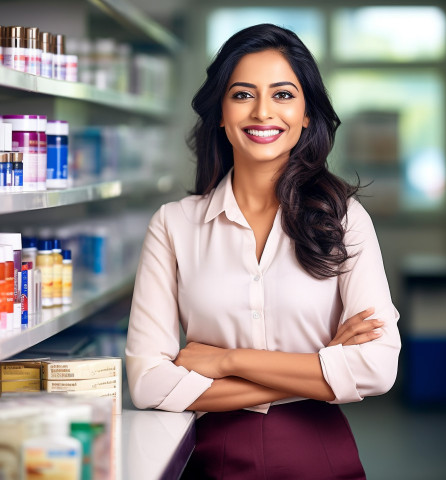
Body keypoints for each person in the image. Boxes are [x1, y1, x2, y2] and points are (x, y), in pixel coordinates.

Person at [126, 23, 401, 479]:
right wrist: (320, 369)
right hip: (210, 458)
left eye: (283, 95)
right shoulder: (174, 225)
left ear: (308, 113)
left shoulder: (344, 219)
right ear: (219, 111)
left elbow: (377, 368)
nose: (262, 112)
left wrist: (226, 360)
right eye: (242, 95)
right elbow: (150, 383)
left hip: (320, 457)